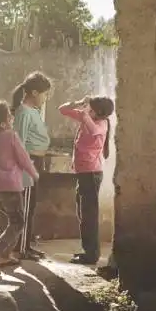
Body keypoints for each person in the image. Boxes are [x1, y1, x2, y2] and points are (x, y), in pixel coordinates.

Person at [0, 101, 40, 274]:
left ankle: (5, 255)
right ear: (2, 123)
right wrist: (34, 173)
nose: (13, 118)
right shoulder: (11, 136)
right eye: (9, 116)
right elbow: (23, 158)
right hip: (11, 187)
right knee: (18, 222)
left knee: (12, 221)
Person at [58, 95, 115, 265]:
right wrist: (77, 103)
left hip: (91, 174)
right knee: (83, 214)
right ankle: (87, 251)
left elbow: (93, 130)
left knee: (89, 216)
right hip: (83, 173)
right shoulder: (89, 117)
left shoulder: (100, 124)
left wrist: (84, 114)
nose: (87, 110)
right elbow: (62, 109)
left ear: (99, 113)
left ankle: (91, 254)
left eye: (92, 109)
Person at [11, 71, 52, 260]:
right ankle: (21, 249)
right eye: (44, 94)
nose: (46, 98)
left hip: (35, 162)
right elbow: (19, 141)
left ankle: (26, 244)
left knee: (31, 205)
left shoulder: (32, 111)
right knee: (26, 206)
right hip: (29, 163)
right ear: (34, 92)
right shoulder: (24, 112)